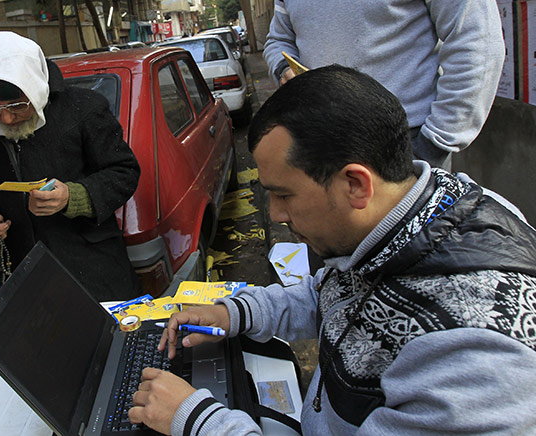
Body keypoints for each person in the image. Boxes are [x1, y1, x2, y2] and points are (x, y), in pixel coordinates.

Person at [128, 65, 536, 435]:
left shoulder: (472, 357)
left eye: (284, 195)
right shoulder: (412, 213)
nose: (276, 215)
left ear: (356, 184)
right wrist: (234, 312)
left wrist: (195, 419)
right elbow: (329, 294)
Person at [0, 31, 142, 301]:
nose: (5, 119)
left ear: (32, 87)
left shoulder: (84, 108)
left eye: (16, 106)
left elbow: (125, 172)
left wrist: (73, 196)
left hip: (94, 271)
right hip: (31, 277)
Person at [263, 0, 505, 171]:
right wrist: (283, 70)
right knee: (334, 243)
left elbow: (478, 43)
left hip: (407, 141)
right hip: (319, 141)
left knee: (412, 243)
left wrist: (435, 143)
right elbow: (278, 40)